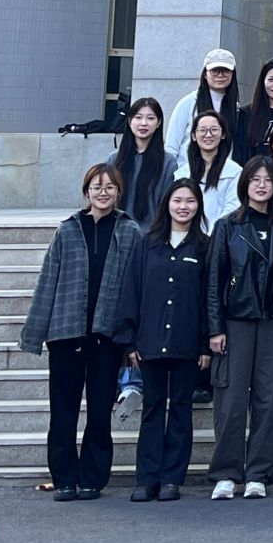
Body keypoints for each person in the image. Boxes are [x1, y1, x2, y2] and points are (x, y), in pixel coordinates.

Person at [21, 163, 142, 502]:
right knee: (63, 410)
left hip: (107, 336)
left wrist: (133, 337)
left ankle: (92, 478)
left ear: (118, 191)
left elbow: (137, 286)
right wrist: (35, 333)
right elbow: (48, 280)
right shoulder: (68, 230)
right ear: (86, 191)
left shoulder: (130, 231)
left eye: (109, 187)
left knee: (100, 411)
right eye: (96, 187)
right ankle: (64, 478)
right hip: (66, 333)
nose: (103, 192)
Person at [204, 155, 273, 500]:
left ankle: (259, 473)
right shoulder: (227, 225)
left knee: (269, 399)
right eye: (255, 179)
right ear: (245, 184)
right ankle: (226, 473)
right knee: (231, 398)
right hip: (235, 321)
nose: (262, 185)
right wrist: (215, 327)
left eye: (268, 180)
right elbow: (214, 280)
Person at [116, 179, 209, 502]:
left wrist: (205, 344)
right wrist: (130, 342)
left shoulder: (204, 247)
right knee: (152, 409)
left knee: (181, 410)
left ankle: (172, 479)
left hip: (187, 343)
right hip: (150, 341)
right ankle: (147, 478)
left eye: (190, 201)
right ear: (167, 204)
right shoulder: (147, 244)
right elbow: (131, 291)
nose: (183, 207)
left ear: (198, 206)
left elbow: (208, 299)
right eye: (177, 200)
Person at [106, 96, 177, 227]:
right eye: (138, 117)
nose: (143, 123)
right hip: (116, 231)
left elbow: (167, 205)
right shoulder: (114, 159)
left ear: (159, 123)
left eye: (150, 118)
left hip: (152, 233)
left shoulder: (168, 162)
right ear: (129, 121)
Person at [165, 48, 239, 162]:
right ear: (205, 74)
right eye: (214, 71)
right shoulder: (188, 103)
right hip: (187, 170)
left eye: (225, 71)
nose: (220, 75)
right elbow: (171, 147)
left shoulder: (236, 108)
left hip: (222, 171)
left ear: (232, 74)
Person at [183, 112, 243, 229]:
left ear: (223, 134)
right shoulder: (182, 173)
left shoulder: (234, 172)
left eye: (214, 130)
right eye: (202, 130)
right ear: (194, 136)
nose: (208, 135)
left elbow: (232, 207)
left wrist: (214, 233)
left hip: (222, 234)